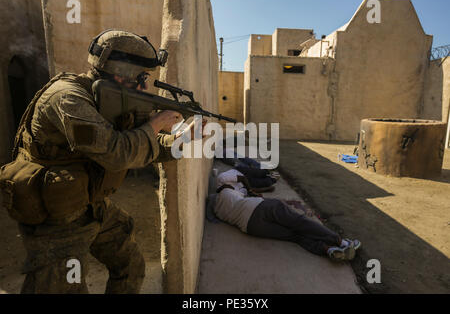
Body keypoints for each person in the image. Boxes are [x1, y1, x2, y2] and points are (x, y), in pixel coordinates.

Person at [5, 30, 199, 294]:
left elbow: (142, 144)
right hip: (54, 216)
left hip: (88, 203)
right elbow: (116, 152)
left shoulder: (116, 99)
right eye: (142, 77)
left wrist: (182, 140)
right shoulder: (68, 98)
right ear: (122, 72)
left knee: (130, 264)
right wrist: (156, 125)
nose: (144, 85)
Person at [213, 170, 361, 261]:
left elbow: (239, 203)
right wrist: (250, 189)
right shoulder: (222, 179)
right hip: (259, 208)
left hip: (251, 227)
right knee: (299, 223)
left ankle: (328, 250)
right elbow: (242, 177)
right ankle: (343, 243)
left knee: (294, 236)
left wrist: (250, 193)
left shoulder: (219, 208)